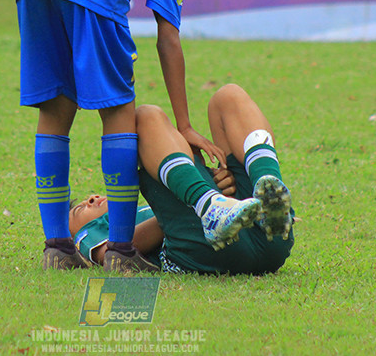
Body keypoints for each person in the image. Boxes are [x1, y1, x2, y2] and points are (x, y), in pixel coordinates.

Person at [16, 0, 223, 273]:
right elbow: (168, 38)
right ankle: (122, 251)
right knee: (118, 111)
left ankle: (57, 247)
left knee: (55, 109)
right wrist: (184, 126)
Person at [70, 84, 295, 275]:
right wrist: (193, 201)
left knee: (228, 96)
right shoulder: (85, 236)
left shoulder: (138, 209)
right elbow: (111, 253)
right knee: (145, 116)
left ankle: (267, 193)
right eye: (79, 210)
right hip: (206, 252)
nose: (90, 199)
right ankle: (209, 205)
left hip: (269, 236)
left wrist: (223, 186)